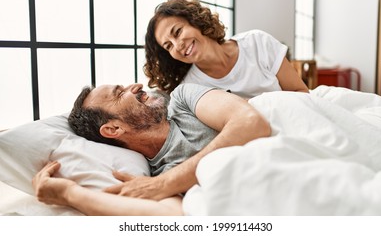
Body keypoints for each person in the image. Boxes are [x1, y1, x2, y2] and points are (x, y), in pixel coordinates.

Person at [33, 82, 271, 215]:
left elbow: (251, 123)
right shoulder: (153, 176)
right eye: (120, 93)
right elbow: (171, 219)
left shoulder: (184, 98)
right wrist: (69, 194)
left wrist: (165, 184)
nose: (135, 86)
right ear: (113, 129)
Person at [144, 0, 309, 97]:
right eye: (169, 46)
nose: (178, 45)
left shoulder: (257, 43)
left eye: (178, 31)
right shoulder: (191, 88)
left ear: (195, 20)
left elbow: (300, 92)